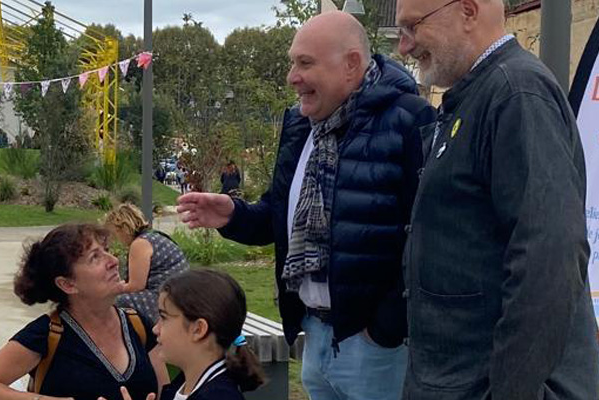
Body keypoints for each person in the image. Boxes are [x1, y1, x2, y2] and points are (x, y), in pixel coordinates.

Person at [176, 11, 434, 400]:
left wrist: (384, 329)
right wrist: (233, 215)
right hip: (315, 335)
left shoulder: (410, 121)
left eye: (305, 63)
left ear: (351, 64)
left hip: (378, 349)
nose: (291, 77)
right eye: (292, 62)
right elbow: (279, 216)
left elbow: (428, 238)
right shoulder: (301, 126)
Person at [395, 0, 599, 398]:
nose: (404, 46)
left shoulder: (516, 94)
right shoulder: (476, 96)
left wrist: (511, 391)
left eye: (412, 27)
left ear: (468, 12)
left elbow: (550, 257)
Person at [0, 223, 168, 400]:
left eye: (107, 251)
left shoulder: (138, 325)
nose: (113, 261)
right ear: (67, 284)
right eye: (95, 257)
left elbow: (165, 392)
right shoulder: (47, 334)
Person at [155, 270, 266, 400]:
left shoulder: (220, 396)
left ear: (198, 329)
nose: (155, 329)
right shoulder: (184, 385)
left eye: (164, 317)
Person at [103, 203, 188, 325]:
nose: (117, 239)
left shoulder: (140, 244)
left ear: (122, 228)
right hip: (181, 292)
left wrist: (112, 289)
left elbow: (136, 286)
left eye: (115, 234)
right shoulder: (154, 236)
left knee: (113, 302)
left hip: (165, 297)